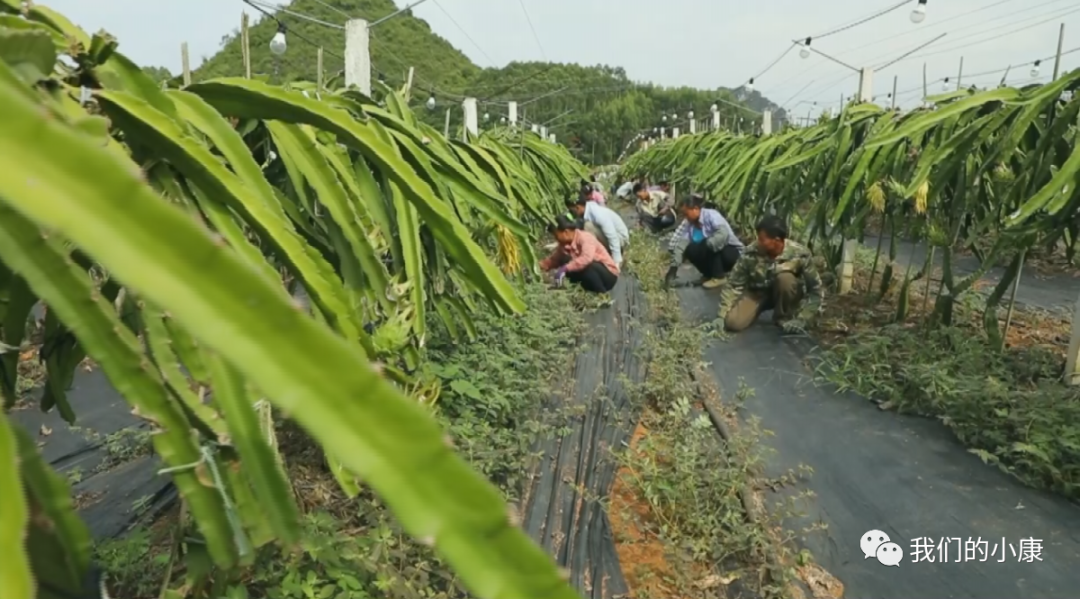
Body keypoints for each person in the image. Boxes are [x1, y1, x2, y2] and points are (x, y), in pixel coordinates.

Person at [718, 215, 824, 334]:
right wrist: (722, 315)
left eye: (762, 239)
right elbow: (734, 284)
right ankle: (756, 309)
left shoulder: (799, 254)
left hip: (787, 294)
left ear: (777, 240)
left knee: (785, 278)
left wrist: (803, 318)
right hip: (757, 294)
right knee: (733, 324)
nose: (758, 242)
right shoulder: (750, 253)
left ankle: (783, 317)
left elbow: (815, 290)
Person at [664, 195, 743, 289]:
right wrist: (673, 268)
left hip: (731, 254)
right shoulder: (689, 224)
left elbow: (723, 234)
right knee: (690, 250)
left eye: (686, 214)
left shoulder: (712, 215)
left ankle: (719, 276)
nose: (685, 217)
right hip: (714, 254)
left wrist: (706, 244)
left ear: (695, 209)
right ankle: (708, 275)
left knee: (711, 243)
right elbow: (681, 245)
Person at [539, 215, 620, 293]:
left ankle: (600, 293)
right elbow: (554, 260)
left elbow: (587, 258)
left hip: (608, 275)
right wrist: (538, 266)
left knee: (586, 266)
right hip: (594, 273)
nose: (556, 239)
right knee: (567, 262)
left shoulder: (585, 238)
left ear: (566, 232)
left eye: (556, 236)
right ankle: (587, 291)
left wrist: (565, 268)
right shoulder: (564, 245)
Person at [566, 197, 631, 267]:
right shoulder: (588, 209)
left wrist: (617, 261)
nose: (572, 213)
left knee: (588, 226)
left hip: (620, 239)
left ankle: (599, 254)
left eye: (572, 211)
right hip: (612, 237)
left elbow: (612, 236)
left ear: (577, 207)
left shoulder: (597, 213)